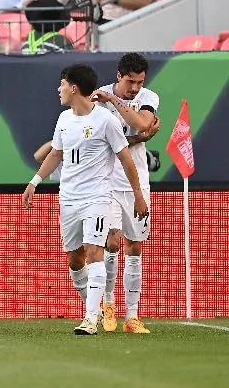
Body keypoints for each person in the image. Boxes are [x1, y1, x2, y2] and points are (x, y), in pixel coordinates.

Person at [22, 63, 146, 335]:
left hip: (97, 197)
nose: (59, 89)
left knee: (94, 253)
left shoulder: (106, 120)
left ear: (73, 87)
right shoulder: (64, 119)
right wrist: (35, 181)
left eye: (62, 84)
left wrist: (138, 195)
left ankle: (90, 319)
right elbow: (56, 153)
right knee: (75, 260)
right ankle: (94, 308)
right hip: (68, 199)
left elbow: (126, 159)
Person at [91, 53, 161, 335]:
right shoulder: (98, 97)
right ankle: (108, 306)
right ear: (119, 75)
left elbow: (143, 122)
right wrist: (134, 138)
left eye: (139, 82)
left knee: (135, 246)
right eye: (130, 81)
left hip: (137, 181)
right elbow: (102, 139)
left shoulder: (149, 96)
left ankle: (132, 316)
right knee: (112, 242)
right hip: (107, 180)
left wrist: (116, 105)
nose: (134, 88)